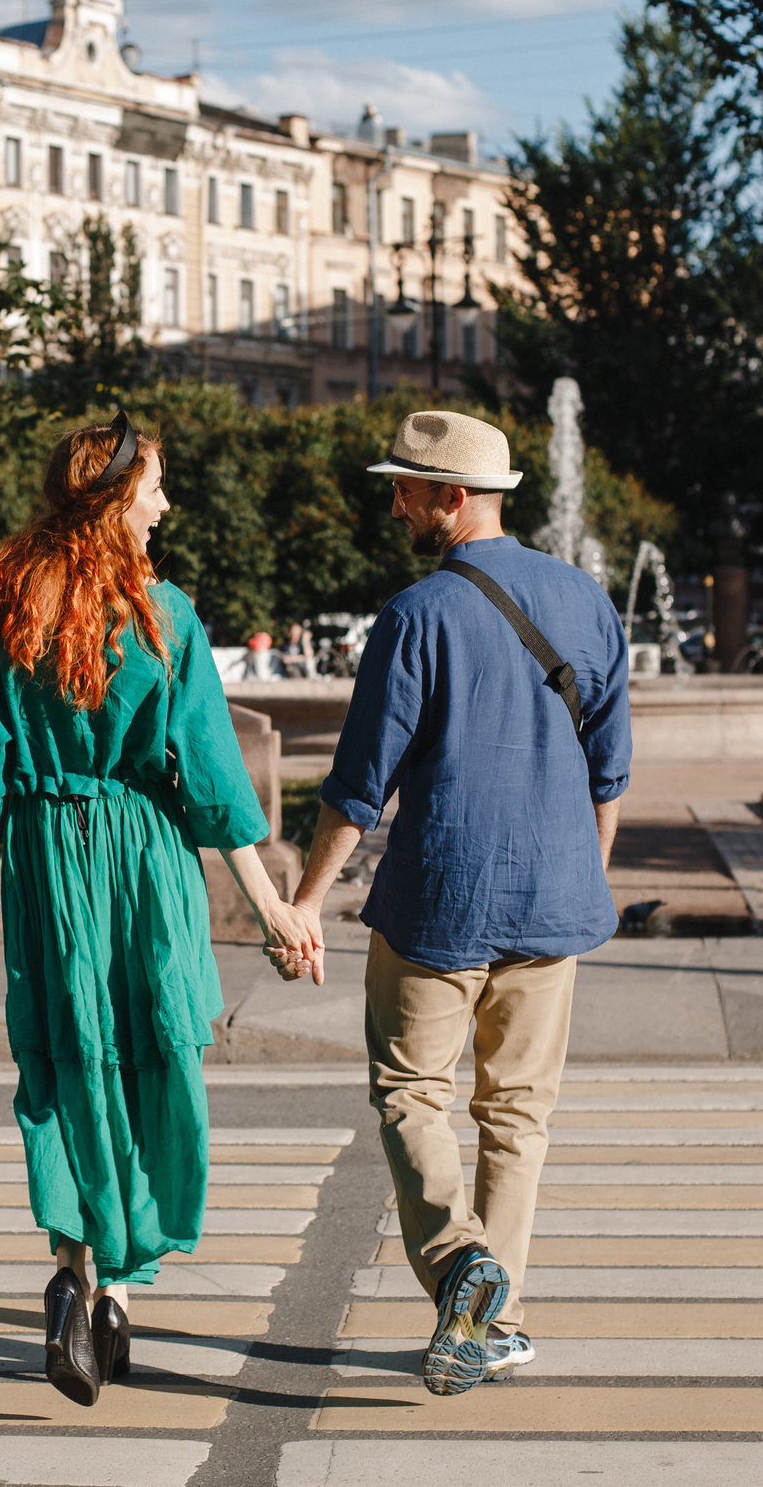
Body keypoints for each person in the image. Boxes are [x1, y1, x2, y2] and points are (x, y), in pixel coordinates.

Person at [0, 413, 323, 1409]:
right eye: (154, 487)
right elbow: (212, 781)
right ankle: (124, 1291)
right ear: (113, 498)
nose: (165, 502)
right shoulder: (164, 614)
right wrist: (271, 904)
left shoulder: (3, 608)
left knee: (64, 1061)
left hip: (48, 857)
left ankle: (76, 1273)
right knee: (153, 1056)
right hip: (145, 857)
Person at [286, 409, 630, 1397]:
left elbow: (359, 785)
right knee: (517, 1117)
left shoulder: (415, 615)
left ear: (451, 498)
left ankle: (458, 1267)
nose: (393, 501)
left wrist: (306, 900)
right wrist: (583, 877)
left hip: (439, 901)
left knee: (408, 1095)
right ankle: (502, 1318)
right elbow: (609, 771)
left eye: (404, 486)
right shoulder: (586, 600)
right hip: (551, 903)